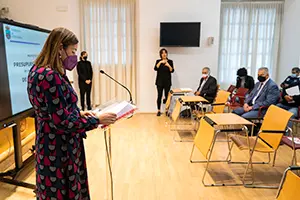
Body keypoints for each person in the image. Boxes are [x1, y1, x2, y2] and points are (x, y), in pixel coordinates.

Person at [27, 28, 117, 200]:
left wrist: (79, 112)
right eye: (73, 51)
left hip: (49, 143)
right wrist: (96, 120)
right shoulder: (50, 76)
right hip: (59, 149)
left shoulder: (37, 70)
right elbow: (62, 122)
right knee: (64, 192)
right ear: (60, 48)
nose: (74, 56)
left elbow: (53, 110)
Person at [154, 48, 174, 116]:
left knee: (167, 97)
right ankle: (158, 110)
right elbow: (155, 68)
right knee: (159, 96)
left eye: (165, 53)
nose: (164, 54)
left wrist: (168, 65)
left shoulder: (170, 61)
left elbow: (172, 70)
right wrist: (160, 62)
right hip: (159, 82)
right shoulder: (158, 61)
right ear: (160, 54)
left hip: (167, 82)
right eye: (162, 53)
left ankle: (167, 110)